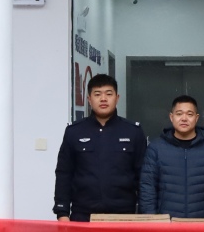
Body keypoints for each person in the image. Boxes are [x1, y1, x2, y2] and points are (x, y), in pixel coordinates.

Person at [53, 73, 147, 222]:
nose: (103, 99)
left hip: (124, 215)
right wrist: (62, 212)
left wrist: (145, 213)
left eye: (109, 94)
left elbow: (144, 176)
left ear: (117, 98)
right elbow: (64, 173)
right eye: (97, 94)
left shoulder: (133, 131)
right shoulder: (74, 131)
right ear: (89, 99)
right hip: (83, 215)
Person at [139, 95, 204, 218]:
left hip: (202, 222)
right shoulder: (156, 148)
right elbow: (148, 188)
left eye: (189, 114)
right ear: (171, 117)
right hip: (167, 223)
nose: (184, 118)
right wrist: (152, 221)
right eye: (179, 114)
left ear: (196, 118)